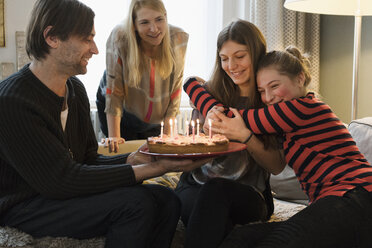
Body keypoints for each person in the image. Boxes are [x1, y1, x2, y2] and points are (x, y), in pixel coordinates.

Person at [0, 1, 208, 248]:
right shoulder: (13, 100)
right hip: (27, 205)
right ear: (52, 37)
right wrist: (155, 169)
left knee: (166, 199)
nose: (95, 50)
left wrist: (135, 159)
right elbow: (60, 180)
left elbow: (86, 158)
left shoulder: (74, 89)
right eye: (87, 39)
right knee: (135, 205)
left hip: (58, 192)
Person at [184, 46, 372, 248]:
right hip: (335, 202)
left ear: (300, 78)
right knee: (242, 238)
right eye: (261, 91)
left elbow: (227, 118)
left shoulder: (302, 108)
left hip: (356, 195)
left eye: (274, 86)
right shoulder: (287, 122)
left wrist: (191, 84)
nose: (268, 98)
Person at [174, 20, 285, 248]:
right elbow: (190, 158)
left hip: (249, 194)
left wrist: (245, 136)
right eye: (224, 58)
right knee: (209, 212)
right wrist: (205, 138)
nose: (231, 65)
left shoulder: (269, 100)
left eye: (240, 56)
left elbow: (276, 166)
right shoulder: (209, 98)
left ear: (255, 53)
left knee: (215, 194)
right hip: (196, 186)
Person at [96, 0, 189, 152]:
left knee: (153, 158)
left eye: (159, 19)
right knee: (125, 157)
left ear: (165, 16)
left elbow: (175, 91)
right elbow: (114, 93)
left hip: (155, 112)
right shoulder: (120, 37)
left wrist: (165, 138)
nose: (154, 29)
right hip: (121, 110)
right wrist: (115, 138)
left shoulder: (178, 38)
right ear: (134, 25)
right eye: (145, 22)